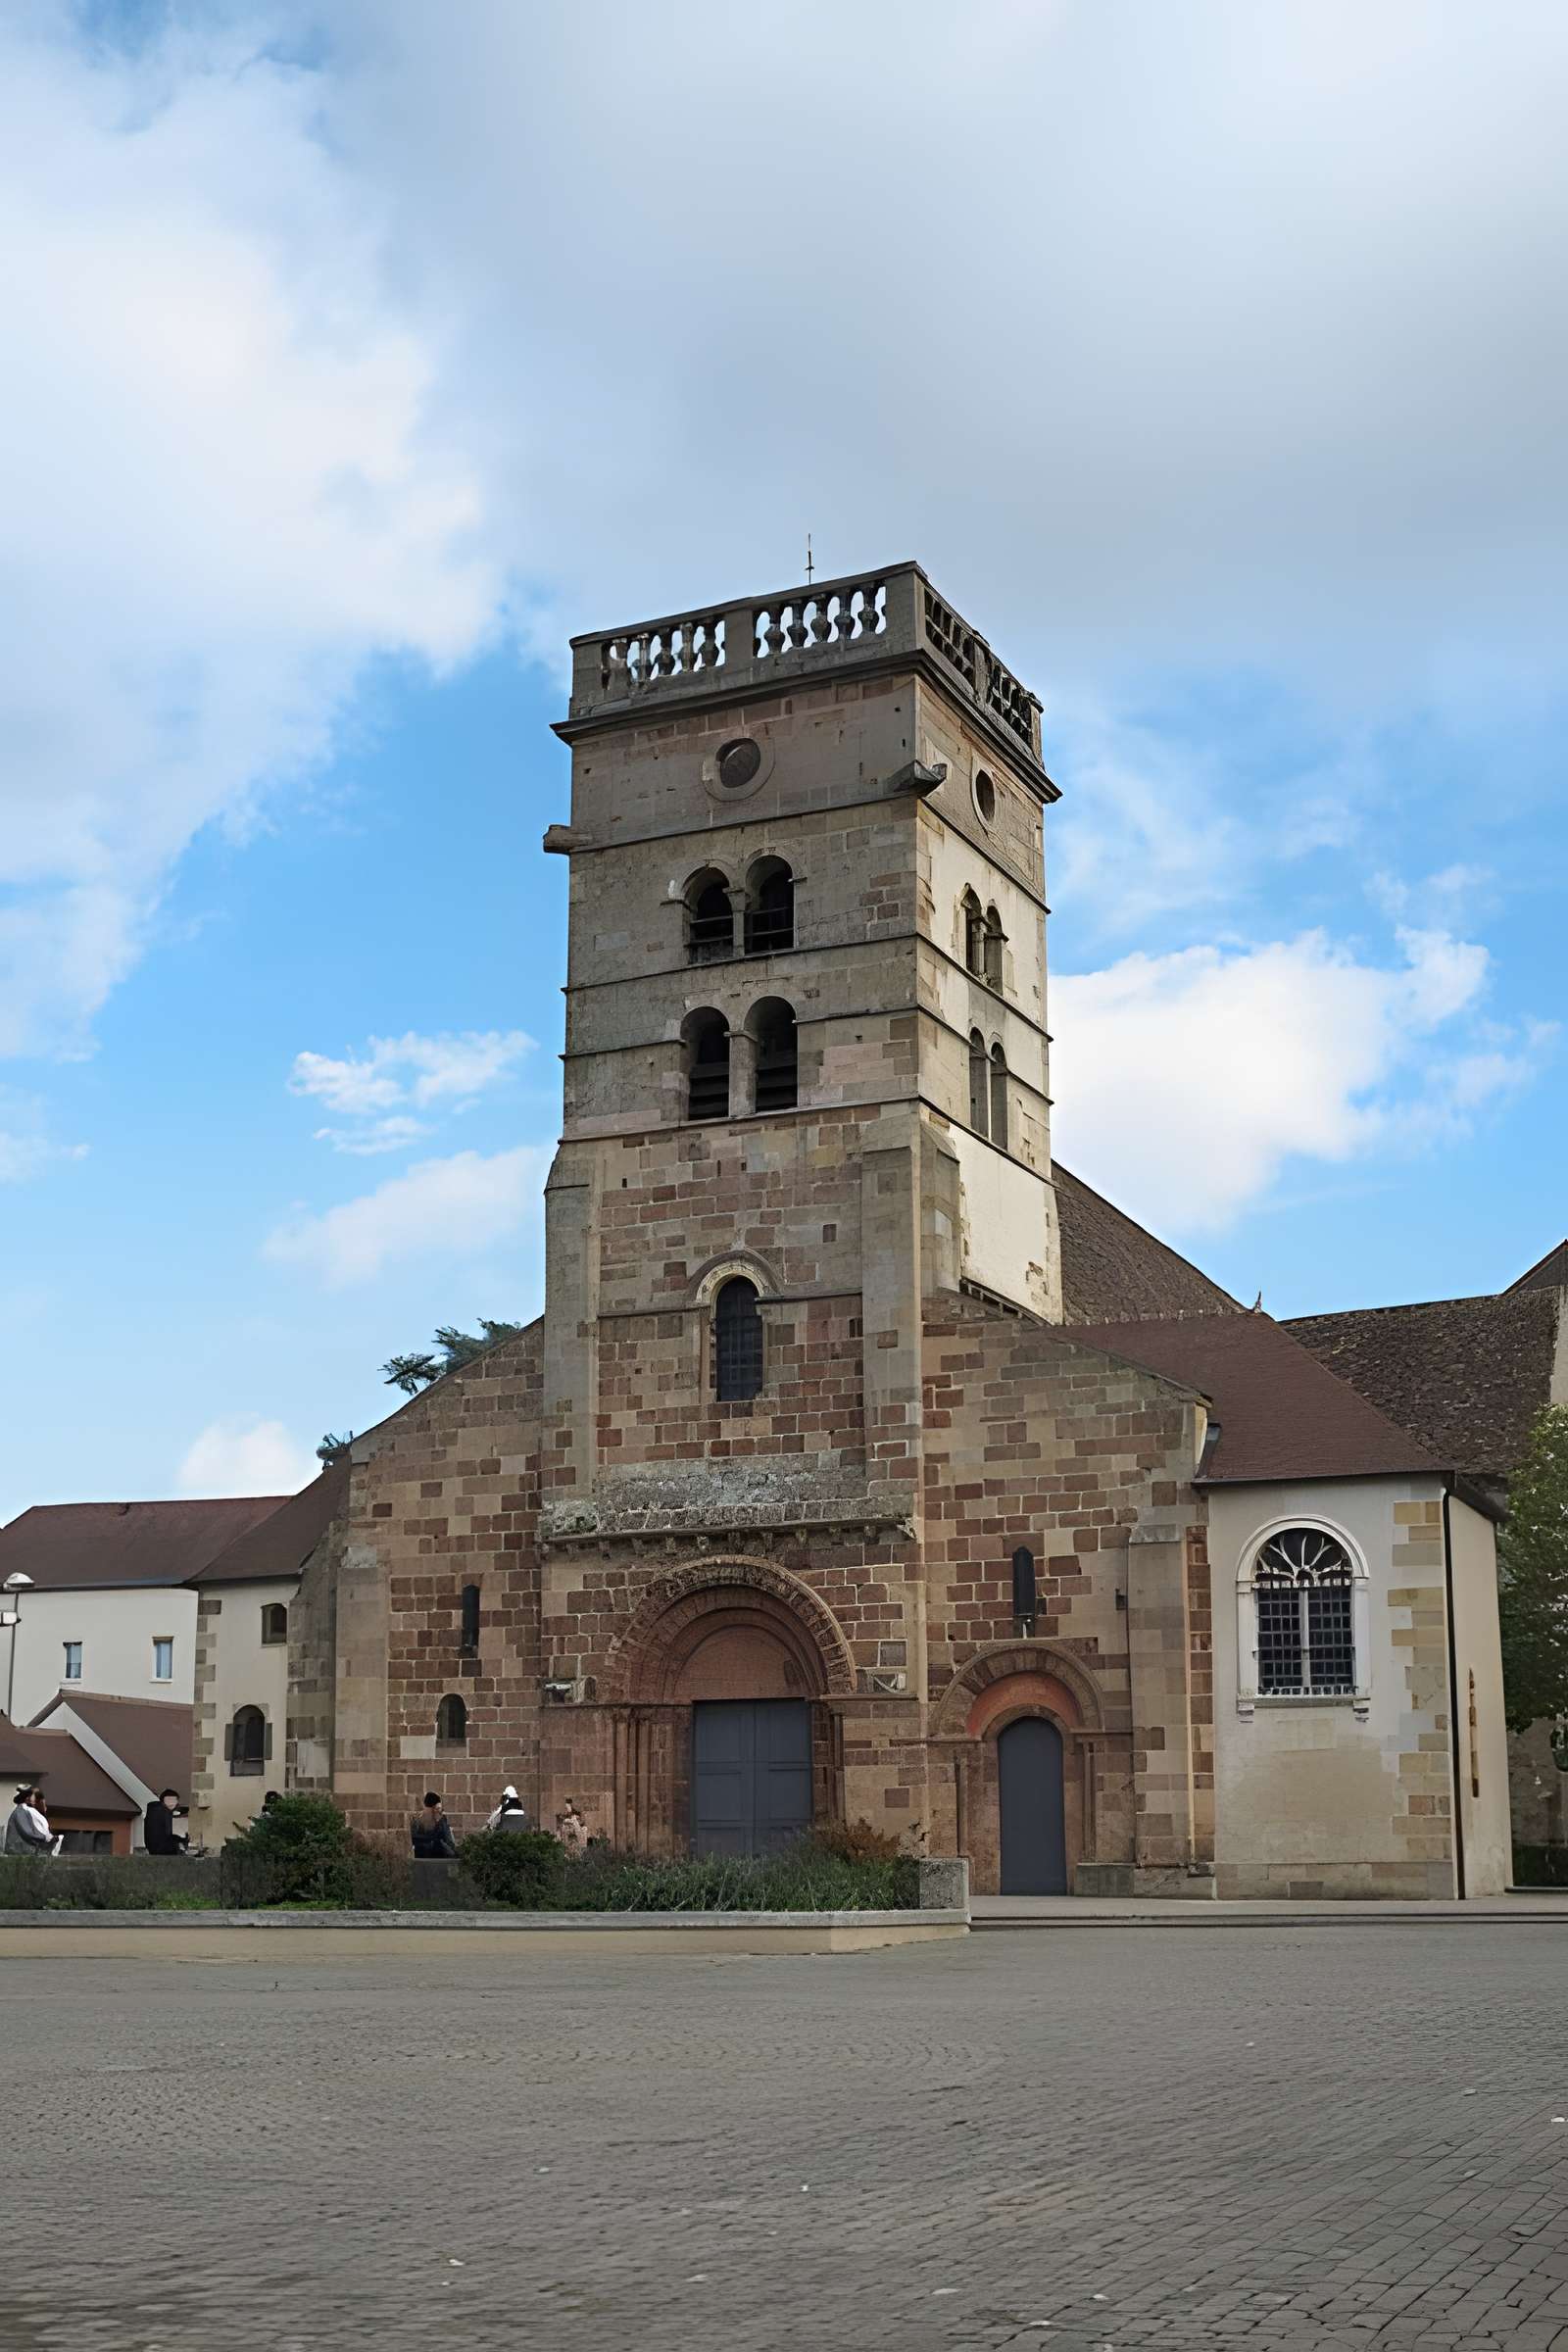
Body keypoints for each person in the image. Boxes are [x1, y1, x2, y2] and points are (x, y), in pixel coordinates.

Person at [5, 1787, 52, 1857]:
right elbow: (27, 1832)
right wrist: (44, 1837)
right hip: (18, 1853)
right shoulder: (21, 1812)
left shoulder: (25, 1811)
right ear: (28, 1798)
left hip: (20, 1852)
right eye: (34, 1796)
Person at [410, 1790, 457, 1859]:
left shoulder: (442, 1819)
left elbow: (449, 1841)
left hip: (440, 1858)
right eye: (436, 1808)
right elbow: (413, 1839)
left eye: (439, 1809)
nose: (438, 1811)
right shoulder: (416, 1820)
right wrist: (432, 1838)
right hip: (422, 1858)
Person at [143, 1788, 189, 1856]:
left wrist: (180, 1839)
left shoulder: (154, 1810)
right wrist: (180, 1842)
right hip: (163, 1851)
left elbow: (165, 1834)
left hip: (154, 1850)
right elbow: (165, 1836)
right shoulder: (163, 1813)